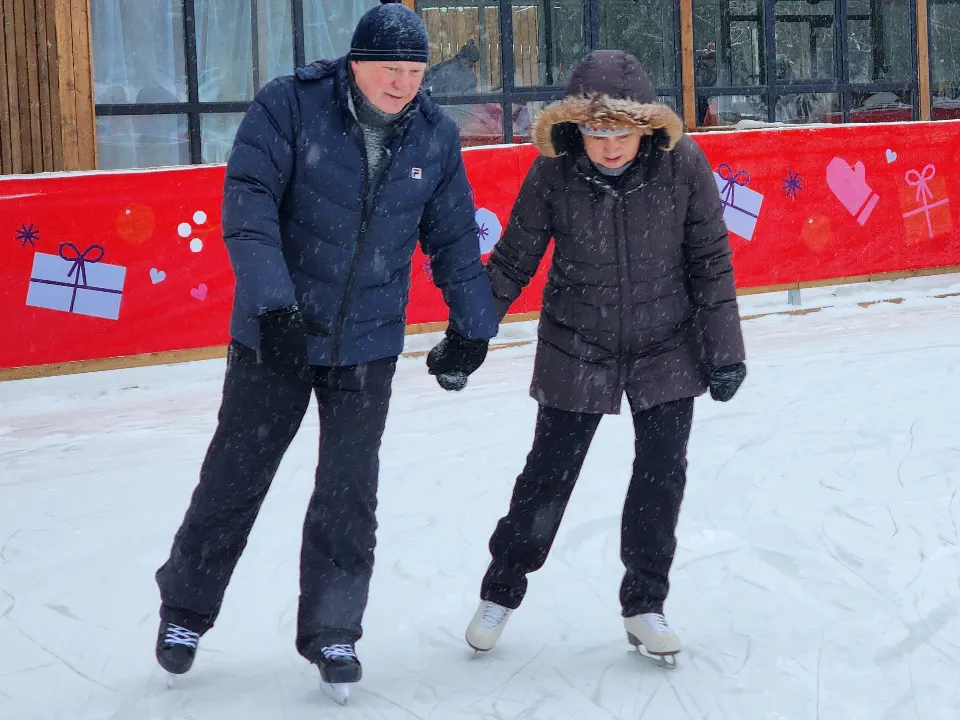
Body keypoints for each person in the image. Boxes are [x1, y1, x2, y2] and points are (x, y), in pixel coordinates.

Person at [154, 0, 498, 695]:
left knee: (349, 494)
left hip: (367, 344)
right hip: (275, 338)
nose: (403, 85)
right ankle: (185, 610)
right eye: (389, 70)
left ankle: (334, 631)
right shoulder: (290, 106)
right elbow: (247, 208)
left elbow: (456, 237)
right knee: (236, 475)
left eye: (414, 71)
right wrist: (275, 308)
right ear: (356, 63)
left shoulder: (432, 134)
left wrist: (472, 326)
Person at [462, 50, 747, 666]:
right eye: (596, 131)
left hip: (667, 342)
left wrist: (724, 351)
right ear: (575, 128)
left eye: (621, 131)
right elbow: (514, 259)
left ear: (645, 126)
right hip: (577, 341)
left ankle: (645, 602)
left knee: (660, 476)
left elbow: (710, 261)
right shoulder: (553, 172)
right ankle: (500, 590)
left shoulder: (683, 165)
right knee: (548, 476)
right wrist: (470, 333)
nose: (610, 145)